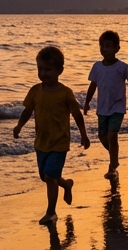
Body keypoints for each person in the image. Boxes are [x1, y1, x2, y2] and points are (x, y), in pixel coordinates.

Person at [14, 45, 90, 224]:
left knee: (50, 177)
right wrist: (19, 126)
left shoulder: (65, 93)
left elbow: (77, 115)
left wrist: (84, 135)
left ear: (59, 70)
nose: (43, 73)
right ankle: (66, 184)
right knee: (46, 176)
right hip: (41, 142)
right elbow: (27, 111)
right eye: (40, 69)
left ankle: (51, 212)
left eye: (48, 69)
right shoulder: (35, 91)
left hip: (59, 143)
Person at [83, 30, 128, 177]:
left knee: (112, 136)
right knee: (102, 136)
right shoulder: (97, 67)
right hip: (102, 108)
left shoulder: (122, 67)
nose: (104, 48)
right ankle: (114, 156)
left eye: (108, 46)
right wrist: (86, 103)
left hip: (117, 106)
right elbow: (92, 86)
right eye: (102, 45)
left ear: (117, 48)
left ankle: (112, 166)